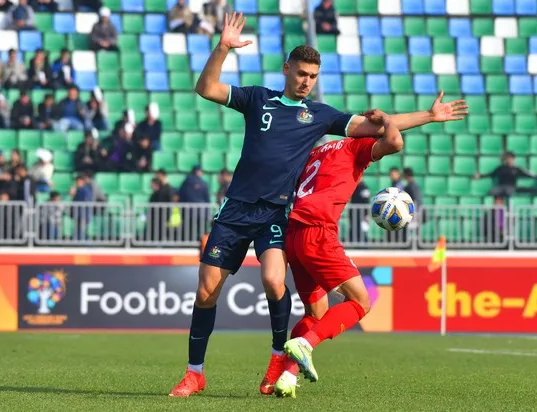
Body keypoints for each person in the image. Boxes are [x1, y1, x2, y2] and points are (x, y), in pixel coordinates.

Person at [169, 12, 468, 398]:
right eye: (301, 73)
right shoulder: (258, 98)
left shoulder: (320, 115)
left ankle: (277, 361)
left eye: (312, 75)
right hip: (236, 209)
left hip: (277, 212)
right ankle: (195, 373)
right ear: (287, 69)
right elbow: (206, 87)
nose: (306, 81)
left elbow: (378, 126)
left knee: (274, 281)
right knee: (207, 290)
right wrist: (223, 47)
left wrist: (428, 116)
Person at [275, 111, 402, 398]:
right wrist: (386, 120)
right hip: (317, 232)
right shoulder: (355, 146)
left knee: (315, 313)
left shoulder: (318, 151)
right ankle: (305, 346)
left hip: (293, 235)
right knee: (361, 301)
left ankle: (285, 375)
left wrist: (430, 116)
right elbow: (394, 142)